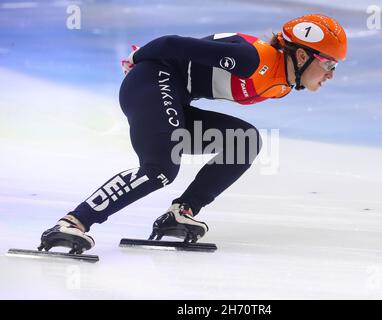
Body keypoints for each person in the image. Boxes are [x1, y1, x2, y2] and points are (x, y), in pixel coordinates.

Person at [39, 14, 347, 253]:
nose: (332, 74)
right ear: (303, 55)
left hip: (174, 96)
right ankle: (73, 223)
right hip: (151, 82)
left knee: (244, 141)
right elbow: (171, 45)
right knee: (160, 169)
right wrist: (135, 60)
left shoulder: (282, 84)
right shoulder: (254, 60)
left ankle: (181, 212)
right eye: (329, 63)